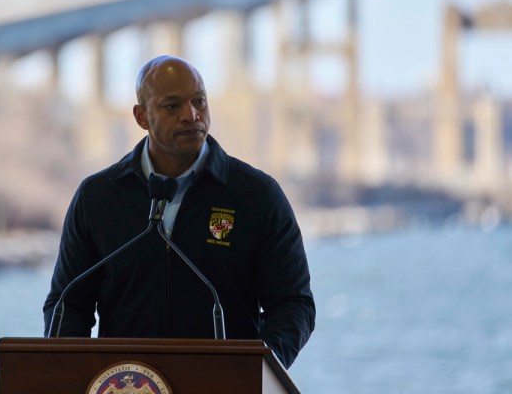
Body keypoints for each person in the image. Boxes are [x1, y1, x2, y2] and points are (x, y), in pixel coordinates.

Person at [43, 55, 315, 368]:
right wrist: (75, 375)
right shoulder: (98, 197)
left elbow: (293, 304)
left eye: (199, 101)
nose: (191, 115)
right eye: (172, 106)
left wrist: (258, 371)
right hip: (128, 385)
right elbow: (66, 305)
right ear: (142, 117)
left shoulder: (256, 195)